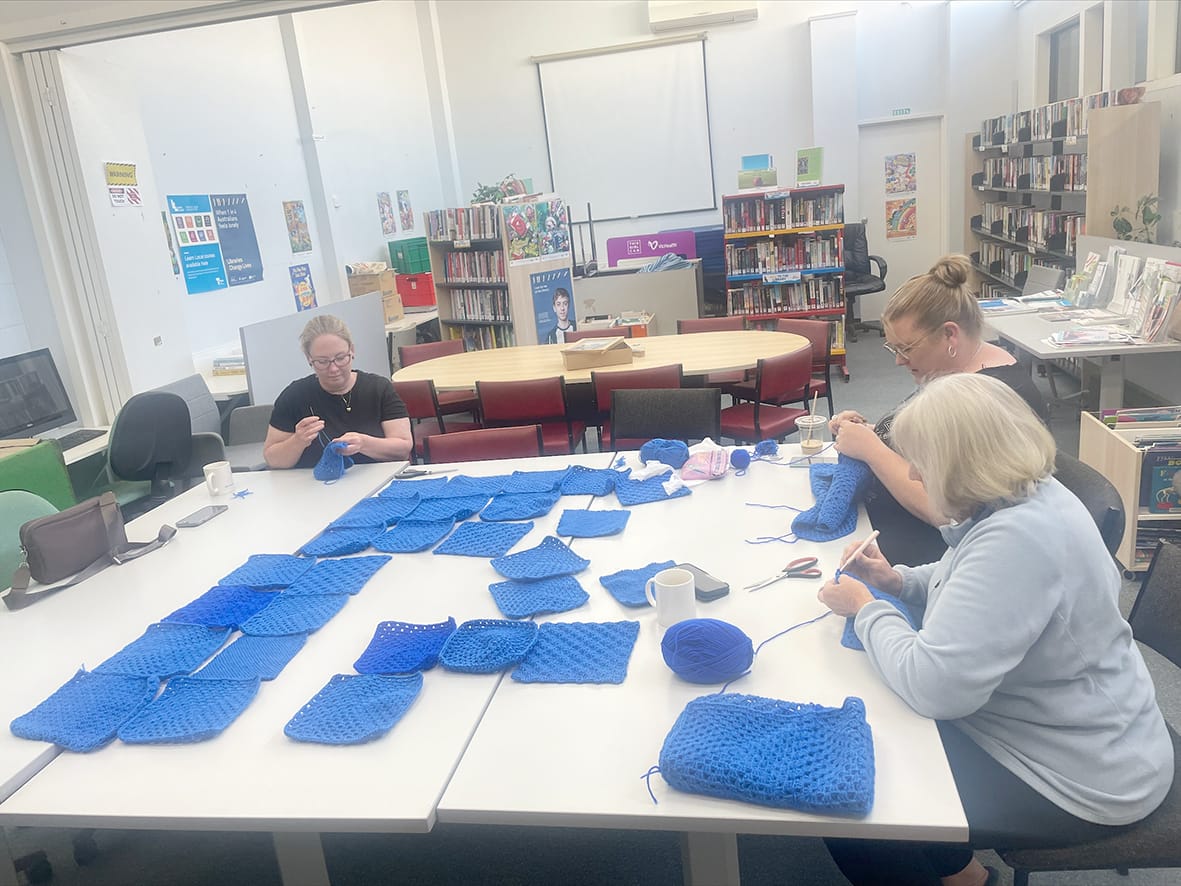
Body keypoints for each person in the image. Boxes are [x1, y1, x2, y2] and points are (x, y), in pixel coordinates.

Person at [818, 373, 1173, 886]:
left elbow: (933, 687)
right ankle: (966, 875)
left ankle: (955, 869)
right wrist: (896, 581)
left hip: (1085, 775)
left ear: (965, 463)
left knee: (852, 798)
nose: (913, 473)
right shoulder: (1030, 496)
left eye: (923, 461)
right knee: (874, 723)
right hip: (1081, 732)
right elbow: (966, 578)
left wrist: (866, 608)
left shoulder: (1019, 539)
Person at [829, 254, 1047, 566]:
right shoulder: (958, 373)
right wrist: (870, 431)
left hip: (934, 554)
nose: (899, 360)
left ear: (949, 335)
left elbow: (947, 514)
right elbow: (934, 443)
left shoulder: (986, 399)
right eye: (894, 348)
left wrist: (872, 450)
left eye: (905, 348)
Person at [264, 315, 413, 470]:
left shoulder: (379, 389)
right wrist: (297, 441)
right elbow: (272, 459)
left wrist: (364, 443)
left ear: (352, 350)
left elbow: (403, 448)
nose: (333, 368)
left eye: (341, 358)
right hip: (315, 487)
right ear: (309, 359)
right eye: (322, 362)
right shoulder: (294, 396)